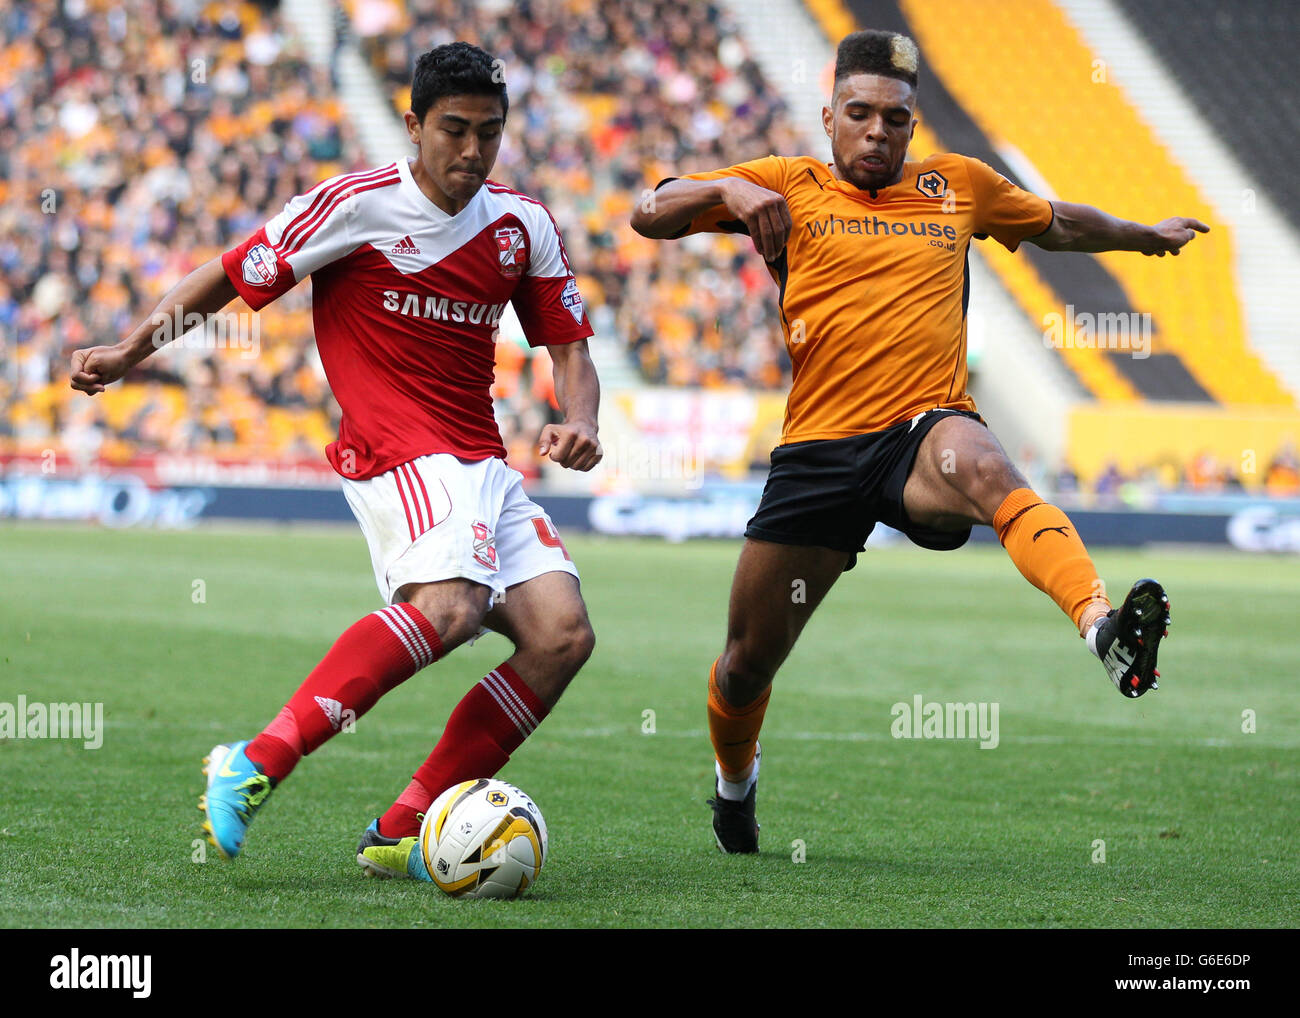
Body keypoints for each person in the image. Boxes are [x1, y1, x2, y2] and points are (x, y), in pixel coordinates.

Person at [631, 29, 1190, 854]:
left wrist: (1143, 235)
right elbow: (650, 211)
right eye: (859, 114)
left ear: (913, 125)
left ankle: (1102, 627)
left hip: (921, 433)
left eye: (895, 118)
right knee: (747, 663)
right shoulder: (787, 185)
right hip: (818, 454)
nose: (877, 131)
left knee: (986, 463)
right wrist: (726, 190)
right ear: (829, 117)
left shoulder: (956, 187)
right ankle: (734, 787)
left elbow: (1060, 224)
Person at [69, 43, 602, 880]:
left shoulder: (522, 224)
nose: (471, 151)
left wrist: (582, 419)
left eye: (489, 134)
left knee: (562, 636)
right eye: (454, 131)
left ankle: (403, 825)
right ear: (413, 125)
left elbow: (570, 350)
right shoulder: (352, 205)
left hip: (479, 458)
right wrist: (131, 350)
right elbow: (222, 277)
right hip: (395, 446)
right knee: (454, 607)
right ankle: (254, 761)